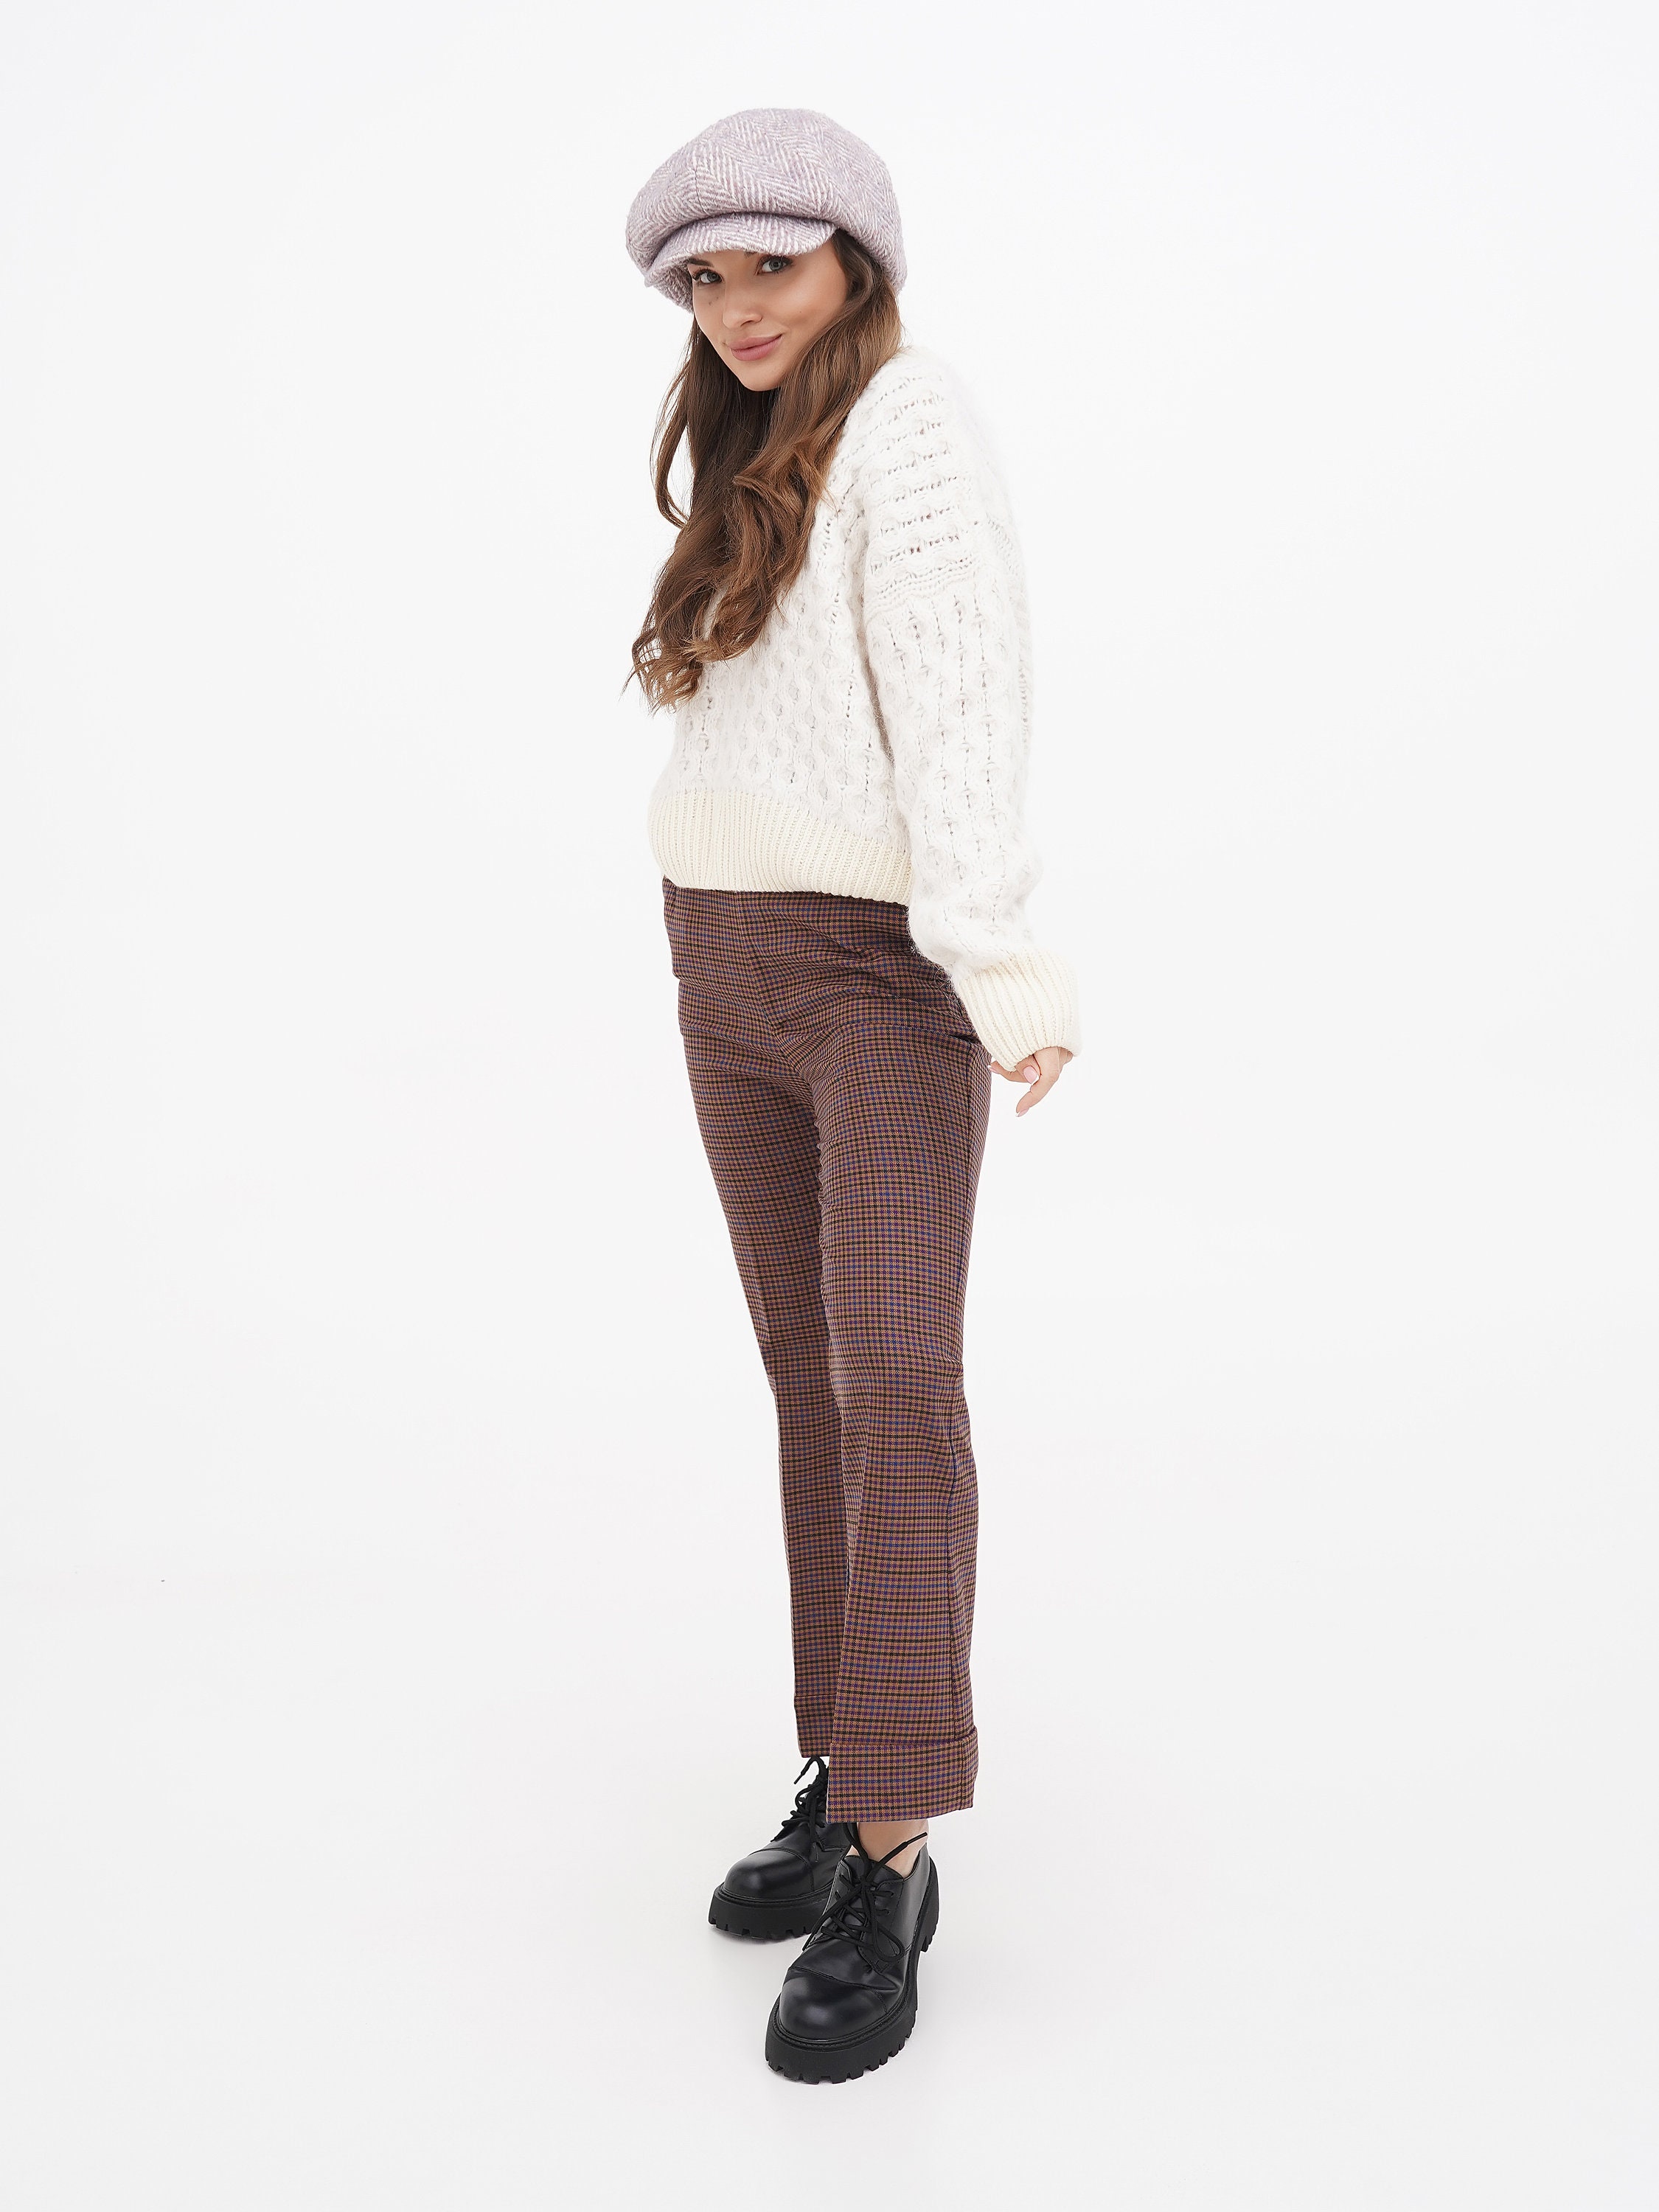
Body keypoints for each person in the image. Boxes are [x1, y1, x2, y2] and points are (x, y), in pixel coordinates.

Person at [624, 107, 1081, 2084]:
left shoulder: (910, 424)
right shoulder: (753, 442)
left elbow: (964, 702)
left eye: (773, 267)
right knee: (809, 1381)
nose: (738, 306)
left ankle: (893, 1853)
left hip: (877, 973)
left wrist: (997, 962)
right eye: (706, 278)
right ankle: (839, 1765)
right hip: (719, 959)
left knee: (897, 1384)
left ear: (855, 263)